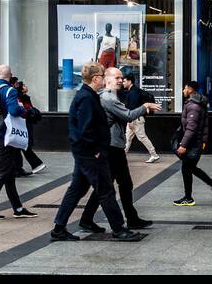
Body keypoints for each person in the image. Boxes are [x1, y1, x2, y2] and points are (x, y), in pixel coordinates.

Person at [50, 62, 143, 242]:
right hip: (90, 154)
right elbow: (86, 128)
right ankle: (119, 229)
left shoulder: (88, 95)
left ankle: (59, 229)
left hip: (84, 152)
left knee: (76, 190)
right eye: (102, 76)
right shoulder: (86, 97)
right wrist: (96, 151)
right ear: (96, 79)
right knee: (106, 190)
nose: (104, 79)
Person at [81, 66, 161, 230]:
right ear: (107, 79)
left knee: (121, 184)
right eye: (117, 78)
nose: (120, 80)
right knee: (112, 186)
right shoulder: (108, 98)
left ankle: (129, 218)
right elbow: (128, 115)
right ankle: (95, 219)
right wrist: (145, 106)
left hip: (114, 146)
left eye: (121, 78)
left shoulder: (110, 96)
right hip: (111, 148)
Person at [0, 65, 37, 221]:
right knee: (2, 174)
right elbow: (14, 110)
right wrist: (27, 112)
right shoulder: (9, 91)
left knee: (9, 174)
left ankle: (18, 208)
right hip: (4, 137)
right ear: (10, 76)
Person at [174, 80, 212, 206]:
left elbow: (191, 128)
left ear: (190, 89)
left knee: (187, 168)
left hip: (193, 142)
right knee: (190, 168)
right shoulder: (197, 103)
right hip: (196, 141)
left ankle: (190, 197)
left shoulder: (193, 106)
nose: (183, 91)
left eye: (185, 88)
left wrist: (183, 145)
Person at [122, 74, 160, 163]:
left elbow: (133, 107)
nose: (122, 83)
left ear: (129, 81)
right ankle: (122, 156)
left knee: (142, 137)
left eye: (124, 81)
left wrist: (130, 120)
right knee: (128, 138)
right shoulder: (133, 91)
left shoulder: (133, 92)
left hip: (135, 119)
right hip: (134, 119)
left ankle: (154, 155)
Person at [17, 81, 47, 176]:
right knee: (24, 146)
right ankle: (36, 164)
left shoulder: (24, 97)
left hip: (25, 123)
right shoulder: (21, 97)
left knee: (23, 146)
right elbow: (26, 109)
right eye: (24, 85)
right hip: (24, 124)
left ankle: (34, 164)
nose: (26, 86)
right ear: (21, 88)